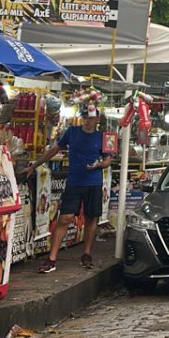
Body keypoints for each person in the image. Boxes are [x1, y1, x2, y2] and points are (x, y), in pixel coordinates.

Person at [26, 103, 112, 273]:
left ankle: (86, 253)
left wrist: (99, 165)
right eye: (85, 117)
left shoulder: (103, 137)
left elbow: (108, 160)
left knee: (91, 218)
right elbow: (54, 149)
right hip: (74, 181)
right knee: (64, 218)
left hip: (93, 182)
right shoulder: (72, 132)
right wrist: (35, 165)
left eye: (91, 118)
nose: (87, 121)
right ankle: (52, 258)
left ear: (97, 119)